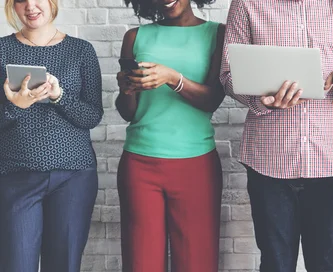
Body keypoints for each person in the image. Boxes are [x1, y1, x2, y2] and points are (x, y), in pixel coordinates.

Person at [219, 0, 333, 270]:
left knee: (326, 261)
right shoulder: (246, 4)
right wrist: (262, 100)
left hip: (330, 162)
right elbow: (229, 74)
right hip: (268, 164)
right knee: (276, 264)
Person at [115, 0, 225, 271]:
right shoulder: (135, 36)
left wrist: (172, 78)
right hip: (139, 165)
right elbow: (128, 113)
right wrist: (127, 90)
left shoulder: (217, 33)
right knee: (141, 263)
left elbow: (212, 100)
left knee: (196, 263)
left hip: (196, 165)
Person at [0, 0, 104, 271]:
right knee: (16, 265)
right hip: (15, 176)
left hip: (74, 176)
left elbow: (92, 116)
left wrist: (59, 96)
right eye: (21, 0)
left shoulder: (81, 50)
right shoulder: (1, 49)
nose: (30, 6)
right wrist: (16, 107)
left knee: (64, 265)